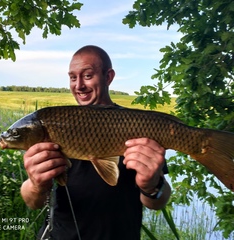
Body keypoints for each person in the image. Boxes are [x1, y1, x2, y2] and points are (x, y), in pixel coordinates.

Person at [20, 45, 171, 240]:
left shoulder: (136, 126)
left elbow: (159, 202)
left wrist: (152, 185)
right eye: (73, 78)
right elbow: (33, 201)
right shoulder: (55, 125)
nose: (79, 85)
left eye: (88, 75)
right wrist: (36, 185)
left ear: (108, 77)